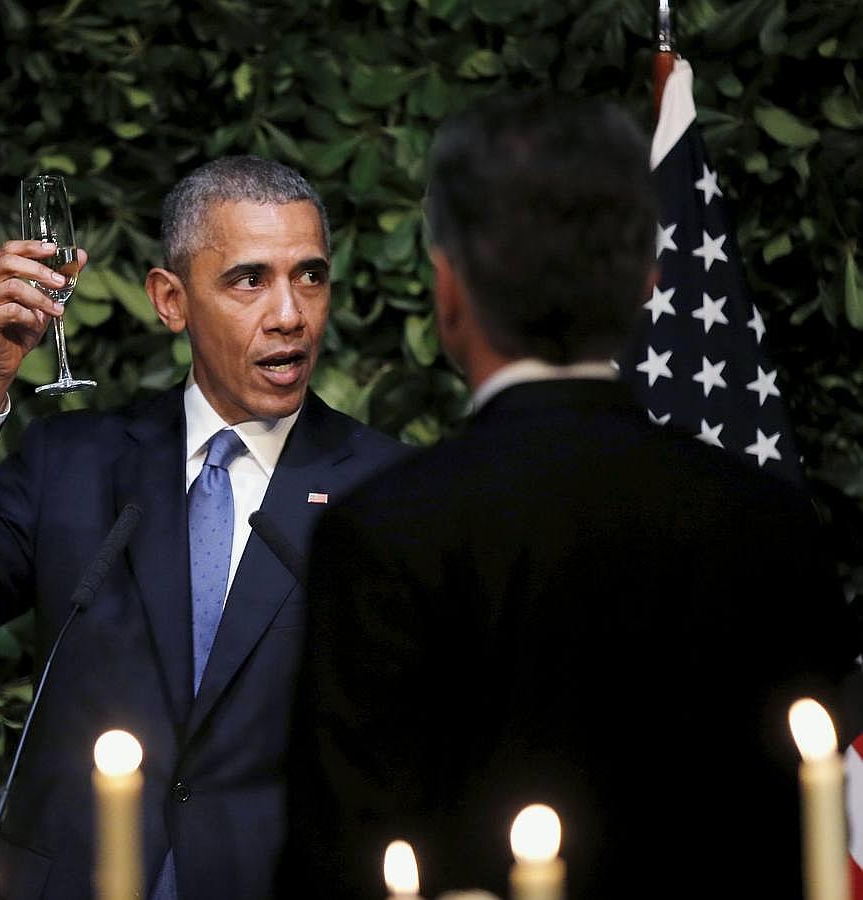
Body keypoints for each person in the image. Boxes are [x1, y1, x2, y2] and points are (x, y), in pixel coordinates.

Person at [279, 95, 861, 899]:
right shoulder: (766, 521)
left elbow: (340, 858)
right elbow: (800, 833)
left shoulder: (382, 531)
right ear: (644, 286)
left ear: (447, 289)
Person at [0, 156, 409, 900]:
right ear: (169, 300)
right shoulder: (73, 463)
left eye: (309, 276)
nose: (289, 313)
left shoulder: (382, 489)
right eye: (249, 280)